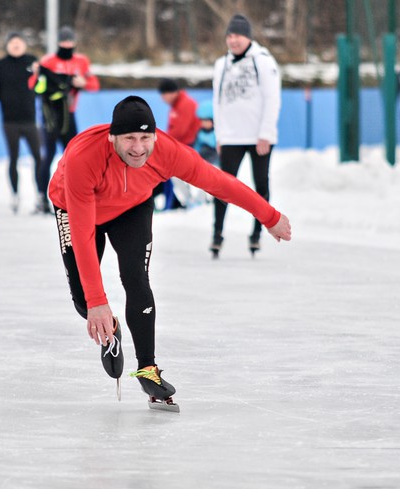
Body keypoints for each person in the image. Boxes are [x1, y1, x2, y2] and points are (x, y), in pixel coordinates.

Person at [48, 96, 291, 404]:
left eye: (145, 138)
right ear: (113, 138)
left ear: (155, 135)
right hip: (75, 208)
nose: (138, 148)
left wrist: (268, 215)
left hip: (131, 207)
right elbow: (83, 232)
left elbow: (218, 182)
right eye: (129, 139)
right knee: (85, 299)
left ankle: (147, 368)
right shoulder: (86, 156)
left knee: (136, 278)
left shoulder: (168, 152)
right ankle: (113, 328)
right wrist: (98, 303)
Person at [212, 14, 281, 258]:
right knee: (222, 186)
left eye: (237, 35)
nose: (233, 41)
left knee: (260, 185)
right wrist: (219, 136)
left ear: (248, 37)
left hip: (258, 137)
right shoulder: (222, 64)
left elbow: (273, 97)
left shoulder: (262, 61)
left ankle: (256, 234)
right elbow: (217, 101)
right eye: (229, 36)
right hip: (231, 136)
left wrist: (265, 134)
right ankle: (217, 234)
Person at [30, 26, 99, 213]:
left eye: (70, 41)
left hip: (69, 114)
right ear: (58, 42)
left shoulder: (81, 61)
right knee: (49, 155)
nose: (67, 45)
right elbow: (33, 85)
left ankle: (73, 196)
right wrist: (38, 74)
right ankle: (41, 197)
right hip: (50, 116)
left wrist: (83, 83)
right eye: (63, 41)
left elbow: (94, 84)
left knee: (74, 157)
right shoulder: (48, 61)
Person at [0, 32, 43, 214]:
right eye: (12, 42)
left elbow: (41, 84)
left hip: (29, 119)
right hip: (9, 120)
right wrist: (6, 100)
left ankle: (41, 195)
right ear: (7, 45)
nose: (16, 45)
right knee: (14, 157)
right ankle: (15, 194)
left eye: (19, 42)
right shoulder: (1, 65)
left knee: (38, 157)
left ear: (24, 45)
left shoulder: (32, 62)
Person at [156, 78, 200, 210]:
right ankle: (182, 200)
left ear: (172, 93)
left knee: (174, 174)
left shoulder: (185, 104)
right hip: (182, 146)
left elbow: (180, 131)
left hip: (191, 147)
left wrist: (162, 143)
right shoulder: (177, 105)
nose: (162, 99)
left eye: (163, 95)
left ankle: (191, 201)